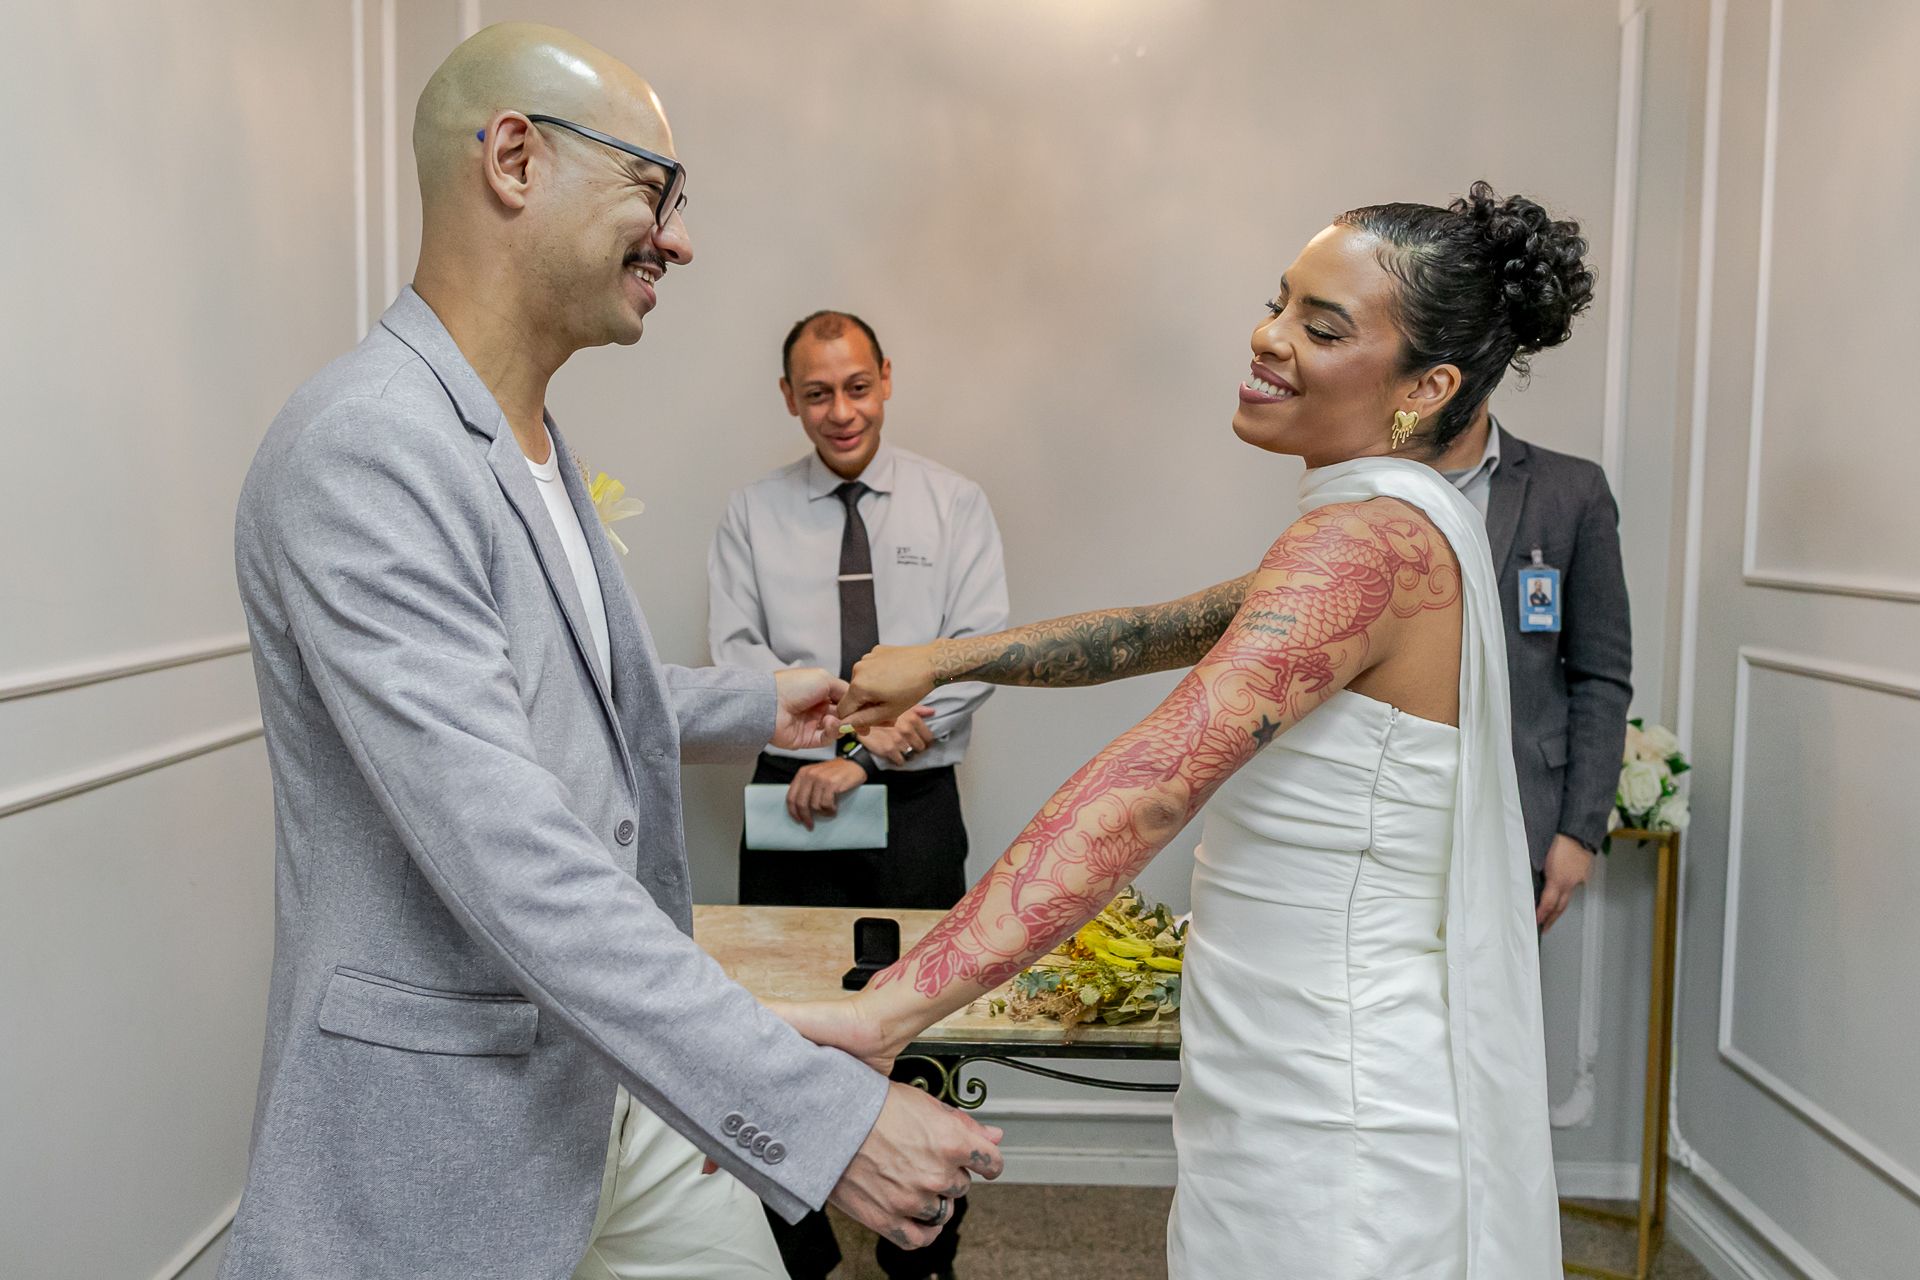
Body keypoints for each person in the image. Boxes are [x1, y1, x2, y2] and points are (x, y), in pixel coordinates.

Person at [223, 24, 999, 1280]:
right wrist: (812, 1110)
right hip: (466, 1107)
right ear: (516, 161)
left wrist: (759, 700)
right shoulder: (364, 447)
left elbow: (549, 685)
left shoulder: (526, 442)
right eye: (655, 188)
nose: (678, 238)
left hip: (616, 1075)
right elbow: (512, 849)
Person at [791, 183, 1594, 1277]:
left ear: (1426, 388)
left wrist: (896, 1006)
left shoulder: (1359, 552)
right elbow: (1152, 631)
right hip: (1293, 1065)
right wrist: (948, 655)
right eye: (1279, 303)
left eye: (1321, 326)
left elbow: (1155, 779)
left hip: (1337, 1105)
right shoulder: (1377, 534)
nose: (1267, 338)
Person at [708, 311, 1008, 1280]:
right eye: (817, 392)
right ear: (789, 398)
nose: (841, 411)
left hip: (915, 813)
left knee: (921, 1032)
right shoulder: (749, 514)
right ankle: (797, 1252)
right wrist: (839, 745)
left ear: (887, 377)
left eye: (857, 386)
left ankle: (923, 1251)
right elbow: (738, 659)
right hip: (793, 805)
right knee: (780, 1031)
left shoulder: (954, 504)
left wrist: (873, 754)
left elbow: (975, 655)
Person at [1433, 402, 1632, 930]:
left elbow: (1600, 675)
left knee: (1495, 1012)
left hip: (1520, 820)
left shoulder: (1571, 490)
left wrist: (1579, 832)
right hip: (1389, 817)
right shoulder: (1375, 476)